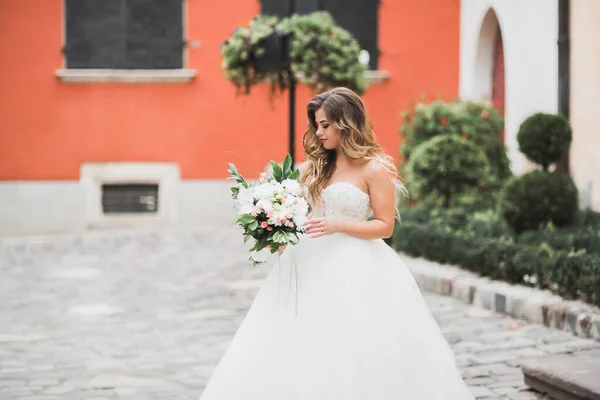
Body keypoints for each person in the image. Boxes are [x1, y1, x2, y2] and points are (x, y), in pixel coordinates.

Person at [199, 87, 474, 399]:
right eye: (317, 125)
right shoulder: (312, 169)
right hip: (307, 263)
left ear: (346, 123)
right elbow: (297, 213)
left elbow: (384, 227)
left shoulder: (374, 169)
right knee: (295, 337)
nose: (319, 132)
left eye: (325, 124)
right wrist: (277, 231)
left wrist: (339, 225)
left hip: (358, 267)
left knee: (352, 341)